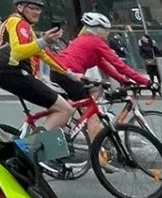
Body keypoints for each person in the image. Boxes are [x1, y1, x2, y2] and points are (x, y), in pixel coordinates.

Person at [50, 11, 151, 145]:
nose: (107, 33)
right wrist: (146, 82)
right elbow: (119, 65)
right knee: (93, 115)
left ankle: (69, 120)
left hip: (60, 72)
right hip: (69, 75)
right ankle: (97, 150)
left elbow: (105, 66)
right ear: (98, 30)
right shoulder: (95, 42)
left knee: (94, 90)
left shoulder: (84, 39)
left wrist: (123, 80)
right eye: (106, 30)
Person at [0, 0, 75, 135]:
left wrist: (69, 74)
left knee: (58, 102)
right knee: (65, 109)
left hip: (9, 73)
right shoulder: (17, 22)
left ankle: (41, 141)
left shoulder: (24, 26)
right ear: (20, 8)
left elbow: (43, 54)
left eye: (38, 9)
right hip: (14, 73)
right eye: (32, 8)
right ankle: (36, 145)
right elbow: (17, 53)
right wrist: (44, 41)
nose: (37, 12)